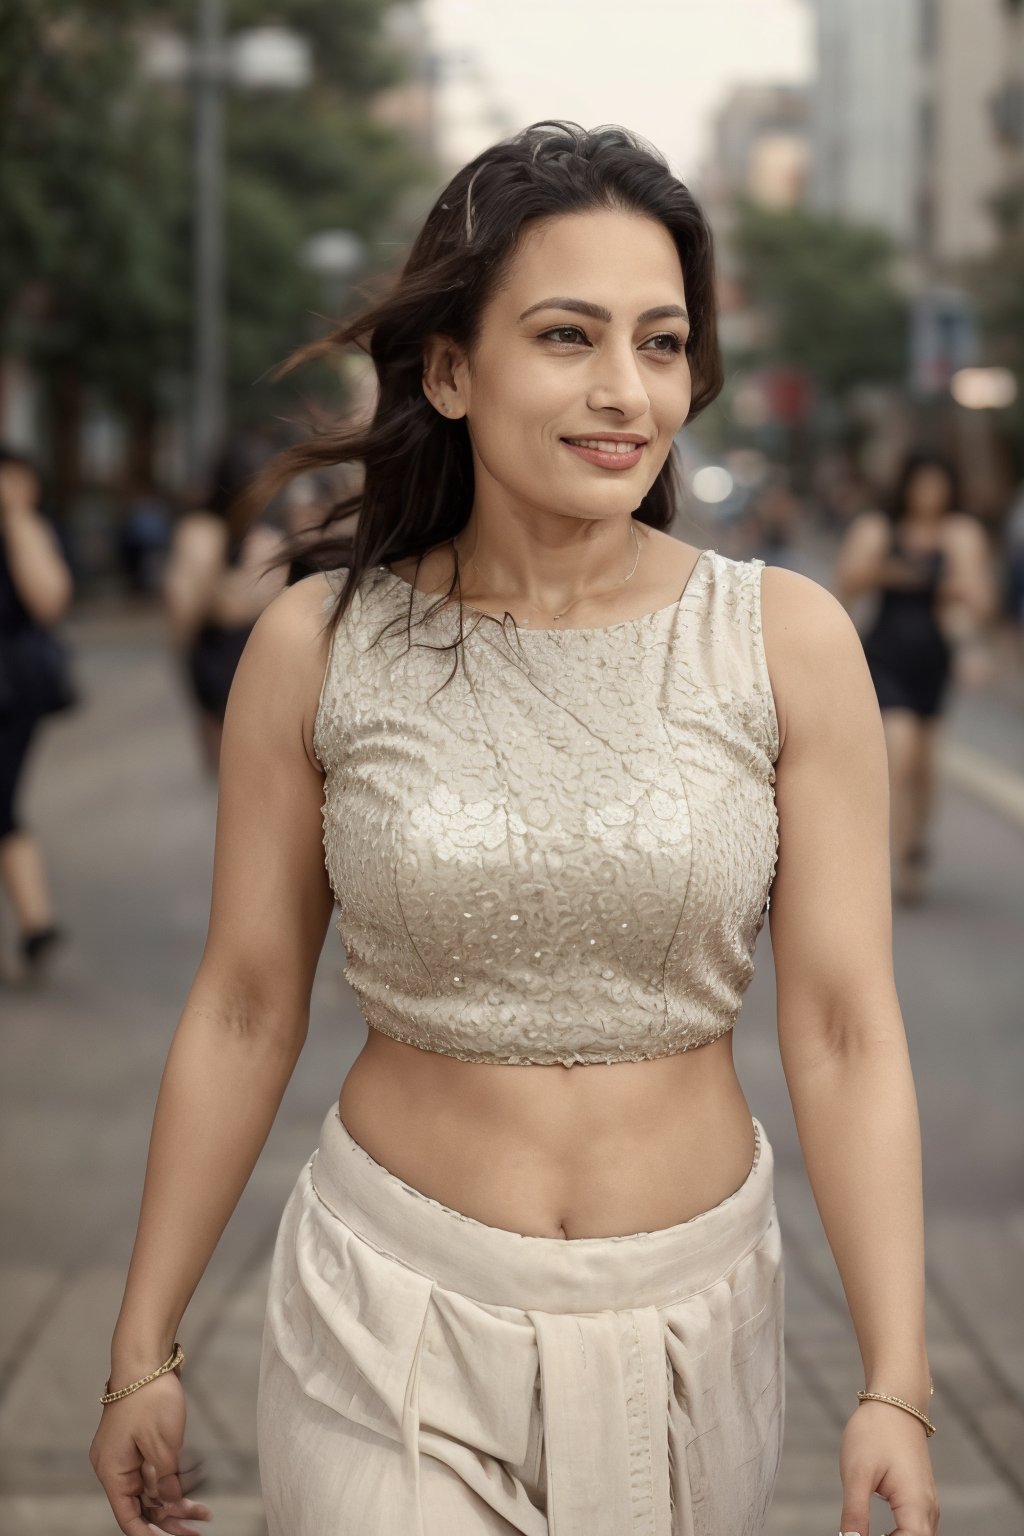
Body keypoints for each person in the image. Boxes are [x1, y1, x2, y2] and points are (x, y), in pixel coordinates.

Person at [90, 122, 940, 1536]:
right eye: (568, 336)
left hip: (693, 1320)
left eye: (662, 345)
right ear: (449, 368)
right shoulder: (320, 643)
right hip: (385, 1309)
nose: (626, 392)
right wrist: (141, 1348)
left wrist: (898, 1379)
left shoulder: (783, 641)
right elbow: (245, 1006)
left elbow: (847, 1029)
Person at [835, 450, 996, 905]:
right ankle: (895, 855)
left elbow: (983, 603)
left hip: (934, 660)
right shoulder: (879, 529)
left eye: (937, 485)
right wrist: (886, 572)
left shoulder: (961, 534)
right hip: (886, 656)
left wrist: (956, 589)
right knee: (898, 753)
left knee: (925, 769)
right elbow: (845, 581)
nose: (929, 494)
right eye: (921, 484)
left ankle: (916, 847)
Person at [162, 433, 287, 773]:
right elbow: (244, 605)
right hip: (234, 655)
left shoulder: (204, 533)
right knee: (242, 769)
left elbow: (189, 612)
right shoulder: (261, 538)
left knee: (226, 768)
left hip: (223, 653)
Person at [0, 447, 74, 977]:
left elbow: (49, 600)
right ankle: (36, 924)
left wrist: (16, 516)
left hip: (12, 688)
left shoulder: (26, 530)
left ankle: (36, 924)